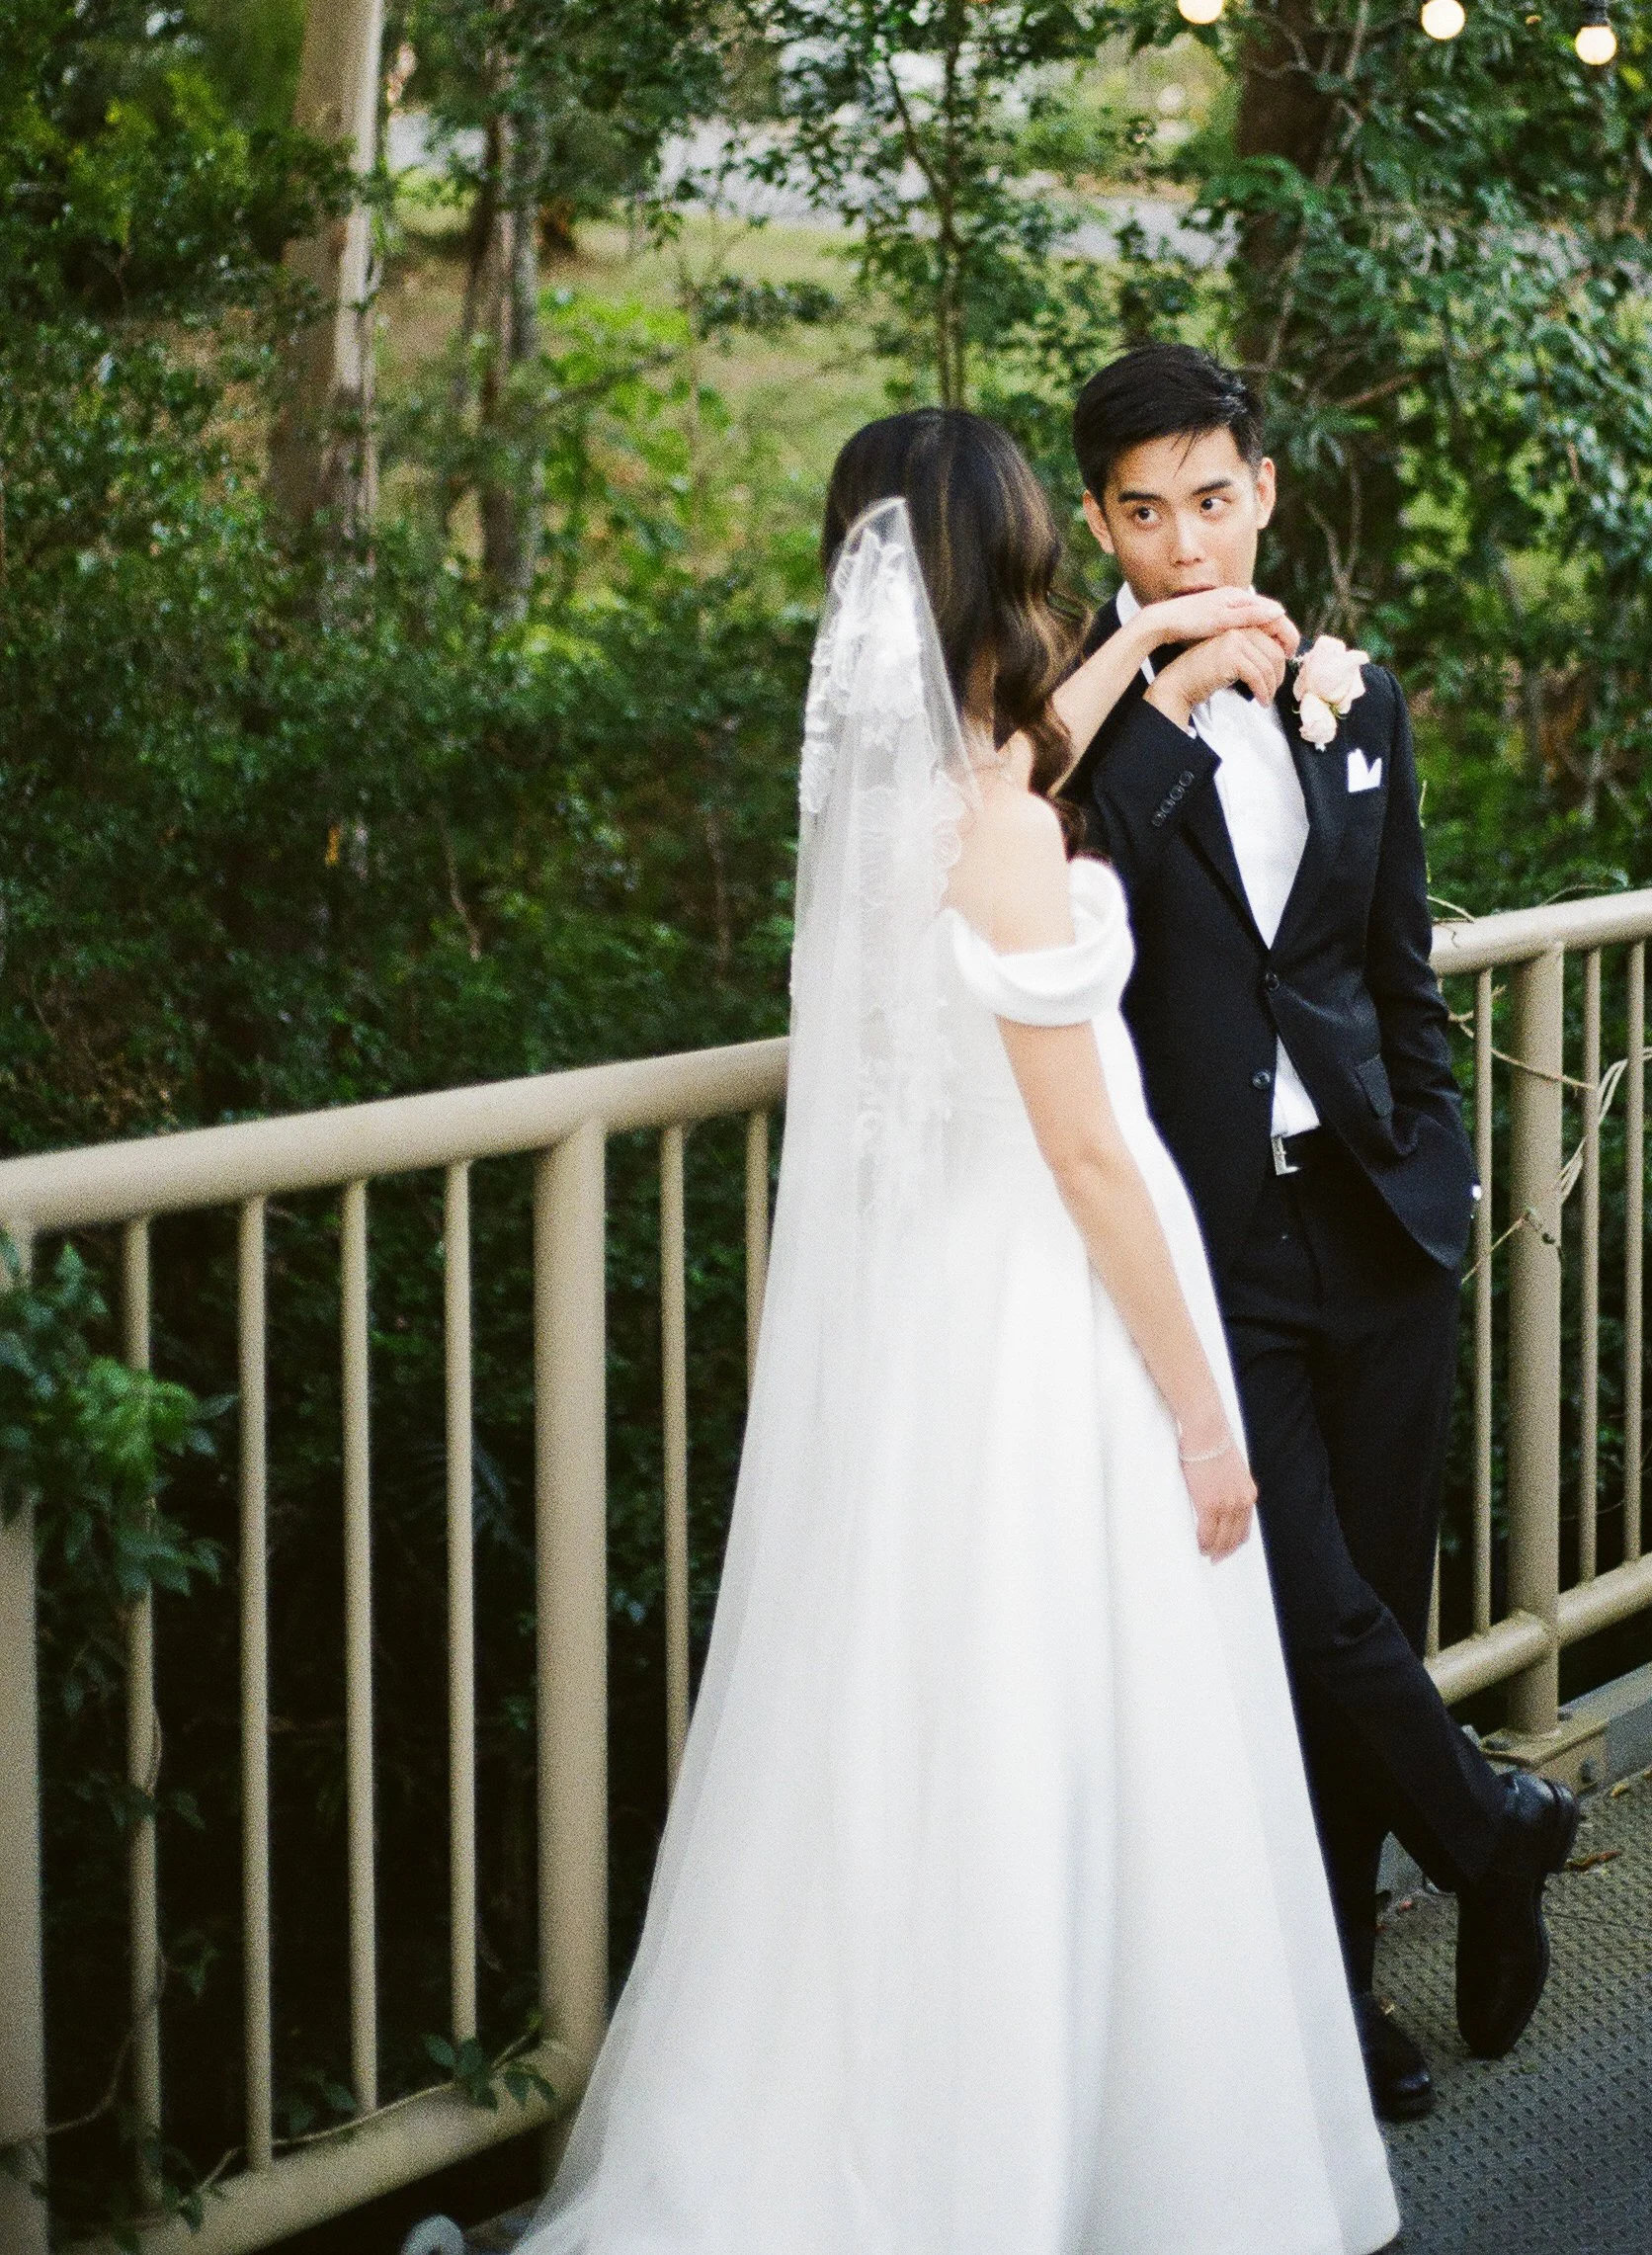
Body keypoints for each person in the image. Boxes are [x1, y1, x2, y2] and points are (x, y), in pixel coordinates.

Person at [513, 406, 1401, 2255]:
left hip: (929, 1323)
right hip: (1051, 1318)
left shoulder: (926, 790)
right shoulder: (995, 822)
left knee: (922, 1722)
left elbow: (1039, 750)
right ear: (1007, 559)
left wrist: (1168, 643)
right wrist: (1202, 1407)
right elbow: (1084, 1148)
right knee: (1061, 1728)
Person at [1056, 343, 1580, 2127]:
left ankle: (1343, 1992)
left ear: (1264, 492)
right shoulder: (1080, 733)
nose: (1186, 543)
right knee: (1302, 1605)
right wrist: (1160, 674)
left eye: (1213, 500)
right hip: (1206, 1243)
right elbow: (1071, 864)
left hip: (1377, 1217)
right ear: (1099, 525)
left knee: (1368, 1602)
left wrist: (1431, 1160)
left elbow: (1391, 964)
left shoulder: (1358, 700)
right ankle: (1490, 1826)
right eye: (1143, 513)